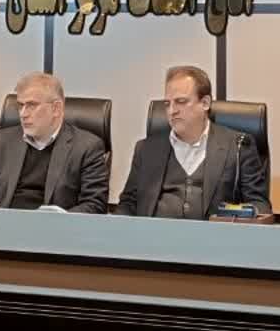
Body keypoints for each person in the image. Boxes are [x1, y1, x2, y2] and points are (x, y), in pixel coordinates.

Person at [115, 65, 269, 218]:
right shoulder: (146, 149)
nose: (171, 111)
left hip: (214, 233)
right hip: (154, 233)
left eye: (181, 101)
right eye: (167, 104)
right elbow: (128, 204)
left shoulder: (238, 147)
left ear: (205, 103)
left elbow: (259, 206)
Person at [0, 71, 108, 213]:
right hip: (5, 222)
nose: (23, 114)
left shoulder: (86, 147)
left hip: (54, 225)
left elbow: (95, 205)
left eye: (31, 105)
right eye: (20, 105)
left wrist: (59, 221)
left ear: (56, 108)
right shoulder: (2, 141)